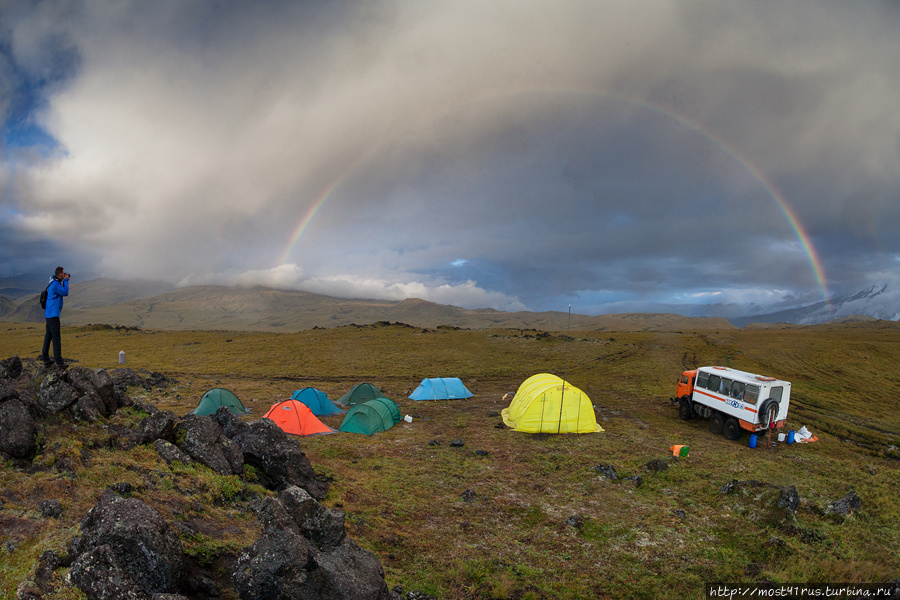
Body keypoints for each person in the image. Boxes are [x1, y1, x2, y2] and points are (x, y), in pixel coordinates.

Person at [40, 266, 70, 368]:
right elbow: (65, 292)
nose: (64, 274)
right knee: (56, 338)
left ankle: (46, 358)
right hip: (53, 315)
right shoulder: (55, 285)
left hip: (49, 315)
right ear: (60, 274)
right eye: (63, 273)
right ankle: (59, 362)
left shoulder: (53, 283)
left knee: (48, 336)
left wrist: (64, 280)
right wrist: (65, 281)